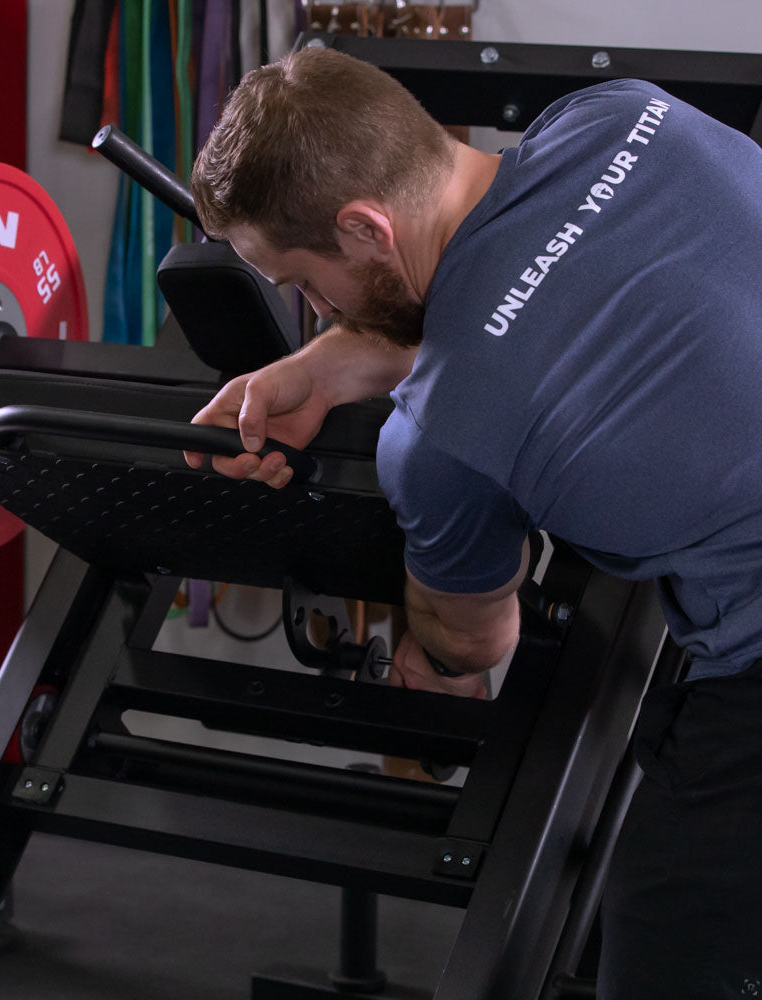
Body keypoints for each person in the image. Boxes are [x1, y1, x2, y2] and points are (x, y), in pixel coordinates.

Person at [183, 45, 762, 999]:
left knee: (666, 943)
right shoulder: (621, 115)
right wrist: (325, 366)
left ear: (365, 228)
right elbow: (540, 281)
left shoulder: (442, 441)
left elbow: (475, 631)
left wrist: (434, 661)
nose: (316, 309)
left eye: (311, 284)